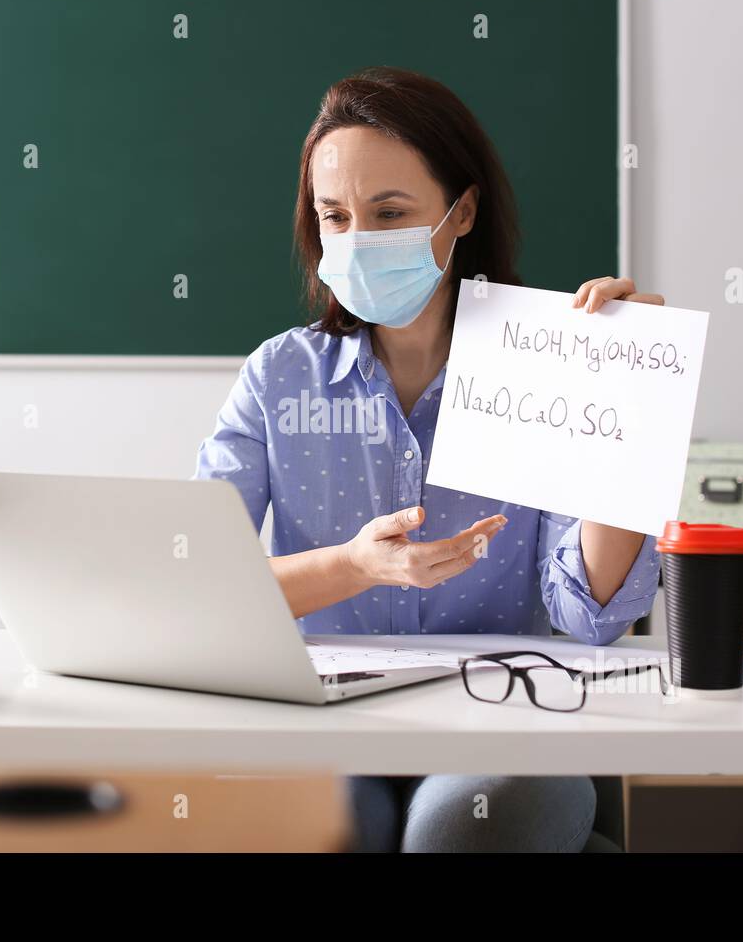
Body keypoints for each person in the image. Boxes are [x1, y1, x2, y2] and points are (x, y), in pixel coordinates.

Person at [194, 67, 663, 852]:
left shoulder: (546, 369)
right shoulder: (279, 375)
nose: (357, 242)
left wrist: (622, 401)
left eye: (389, 213)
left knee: (464, 828)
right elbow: (198, 589)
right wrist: (354, 567)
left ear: (463, 211)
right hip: (329, 727)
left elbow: (592, 615)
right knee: (326, 828)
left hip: (502, 722)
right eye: (334, 217)